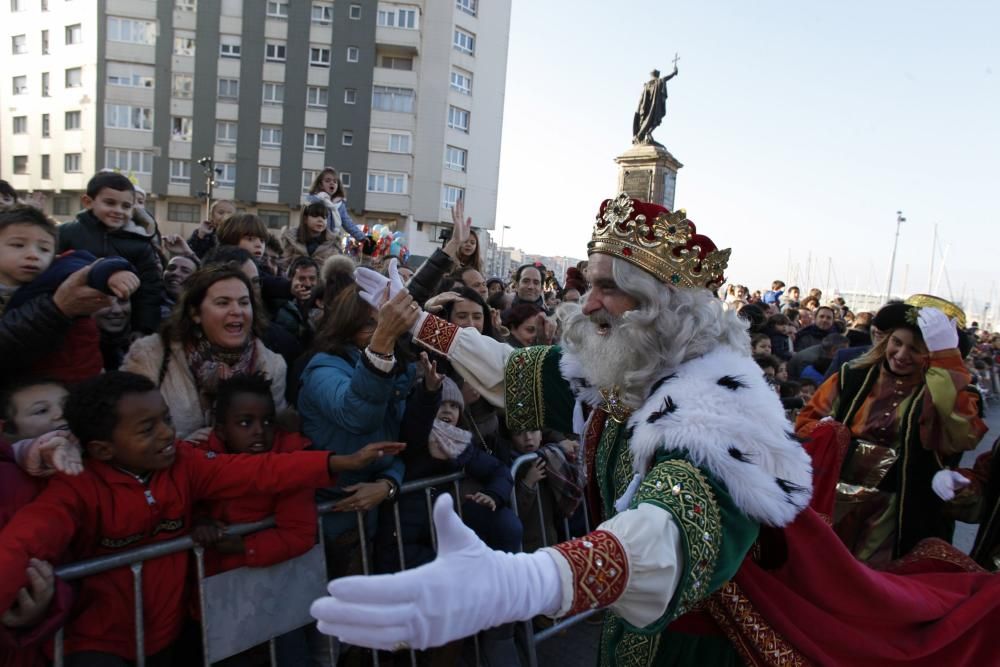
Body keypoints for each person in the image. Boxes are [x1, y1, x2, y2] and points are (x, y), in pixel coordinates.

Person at [313, 194, 1000, 665]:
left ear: (663, 305)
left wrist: (523, 582)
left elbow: (672, 524)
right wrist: (419, 318)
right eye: (589, 280)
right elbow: (522, 373)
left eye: (609, 286)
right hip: (639, 618)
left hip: (699, 636)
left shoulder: (717, 403)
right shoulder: (627, 361)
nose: (587, 301)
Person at [0, 371, 402, 665]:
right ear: (103, 450)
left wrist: (337, 462)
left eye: (166, 420)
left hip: (170, 634)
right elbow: (23, 542)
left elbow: (258, 472)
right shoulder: (75, 486)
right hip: (96, 644)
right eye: (146, 428)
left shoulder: (185, 463)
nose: (165, 434)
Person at [796, 298, 987, 565]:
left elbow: (962, 434)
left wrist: (944, 367)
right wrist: (830, 437)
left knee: (875, 584)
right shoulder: (853, 376)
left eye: (916, 349)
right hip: (836, 502)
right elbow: (806, 424)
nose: (901, 354)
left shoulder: (957, 395)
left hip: (900, 514)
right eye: (897, 342)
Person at [121, 265, 288, 440]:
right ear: (195, 313)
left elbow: (272, 437)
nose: (237, 311)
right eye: (223, 303)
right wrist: (183, 448)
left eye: (244, 303)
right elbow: (130, 431)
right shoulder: (151, 355)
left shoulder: (271, 365)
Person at [0, 205, 139, 383]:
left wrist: (114, 272)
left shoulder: (56, 272)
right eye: (18, 245)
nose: (33, 255)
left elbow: (89, 266)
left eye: (44, 249)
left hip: (78, 379)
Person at [55, 172, 163, 335]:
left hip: (120, 327)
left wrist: (142, 328)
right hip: (72, 323)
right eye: (110, 203)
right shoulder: (66, 233)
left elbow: (149, 290)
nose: (118, 211)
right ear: (88, 202)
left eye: (126, 206)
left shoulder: (140, 243)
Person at [305, 168, 367, 243]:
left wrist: (361, 237)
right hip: (315, 241)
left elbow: (347, 223)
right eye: (327, 181)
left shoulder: (339, 205)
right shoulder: (315, 201)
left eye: (335, 181)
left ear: (338, 185)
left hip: (332, 241)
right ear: (320, 184)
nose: (332, 183)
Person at [632, 66, 678, 144]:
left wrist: (639, 110)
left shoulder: (646, 85)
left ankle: (646, 134)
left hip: (645, 109)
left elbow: (641, 99)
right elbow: (666, 78)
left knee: (649, 121)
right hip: (655, 107)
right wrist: (674, 73)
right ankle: (648, 133)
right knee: (656, 120)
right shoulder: (659, 81)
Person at [160, 254, 199, 320]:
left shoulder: (198, 311)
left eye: (185, 271)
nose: (175, 272)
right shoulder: (146, 299)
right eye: (171, 268)